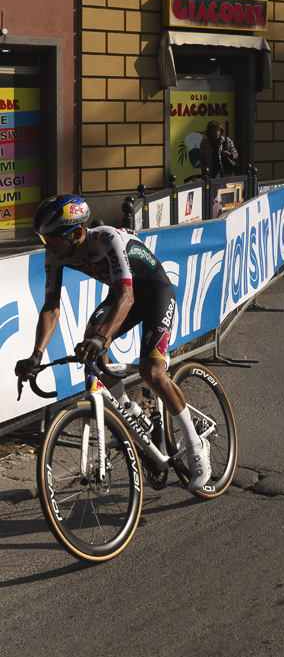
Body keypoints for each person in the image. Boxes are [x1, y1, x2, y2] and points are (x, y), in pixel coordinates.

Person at [15, 196, 211, 491]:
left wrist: (101, 338)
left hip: (153, 291)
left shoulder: (107, 238)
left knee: (152, 372)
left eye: (53, 237)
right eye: (44, 238)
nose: (48, 245)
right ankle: (129, 412)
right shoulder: (55, 254)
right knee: (90, 352)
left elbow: (127, 298)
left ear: (77, 233)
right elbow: (51, 307)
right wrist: (35, 354)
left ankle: (197, 448)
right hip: (121, 295)